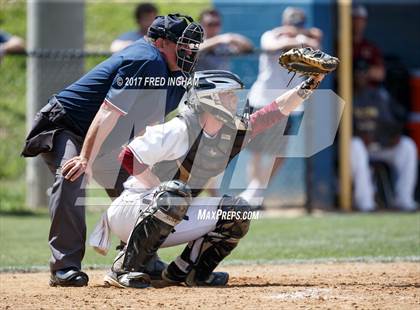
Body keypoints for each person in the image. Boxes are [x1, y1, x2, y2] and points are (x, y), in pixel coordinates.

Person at [88, 69, 326, 288]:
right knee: (174, 194)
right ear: (209, 99)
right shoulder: (181, 128)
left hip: (174, 210)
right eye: (228, 95)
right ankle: (123, 269)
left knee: (237, 211)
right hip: (131, 210)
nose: (235, 100)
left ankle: (189, 272)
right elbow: (128, 155)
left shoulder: (232, 131)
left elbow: (274, 111)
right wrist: (159, 191)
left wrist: (310, 84)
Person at [21, 14, 204, 287]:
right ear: (162, 42)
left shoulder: (175, 74)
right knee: (74, 174)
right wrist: (85, 157)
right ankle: (64, 267)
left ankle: (141, 259)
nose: (189, 51)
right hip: (67, 127)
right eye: (183, 44)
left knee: (144, 192)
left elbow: (148, 124)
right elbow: (107, 113)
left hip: (108, 139)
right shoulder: (148, 59)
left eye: (192, 46)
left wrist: (145, 171)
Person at [242, 7, 322, 205]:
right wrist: (297, 38)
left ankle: (256, 193)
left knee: (280, 154)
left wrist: (299, 36)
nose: (294, 28)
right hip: (262, 100)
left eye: (298, 25)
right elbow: (271, 47)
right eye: (291, 24)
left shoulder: (303, 38)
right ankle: (252, 195)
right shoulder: (271, 35)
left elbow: (316, 44)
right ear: (284, 23)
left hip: (288, 103)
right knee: (257, 151)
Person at [351, 60, 418, 212]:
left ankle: (404, 200)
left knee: (407, 146)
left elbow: (391, 123)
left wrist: (392, 136)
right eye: (357, 73)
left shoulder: (378, 95)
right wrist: (359, 135)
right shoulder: (345, 95)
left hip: (380, 145)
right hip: (357, 150)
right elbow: (338, 130)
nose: (361, 76)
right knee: (354, 144)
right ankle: (366, 203)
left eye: (364, 72)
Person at [352, 5, 385, 85]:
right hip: (347, 89)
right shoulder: (339, 46)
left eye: (361, 20)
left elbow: (381, 74)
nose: (358, 24)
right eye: (355, 20)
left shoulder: (370, 47)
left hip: (368, 90)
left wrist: (365, 72)